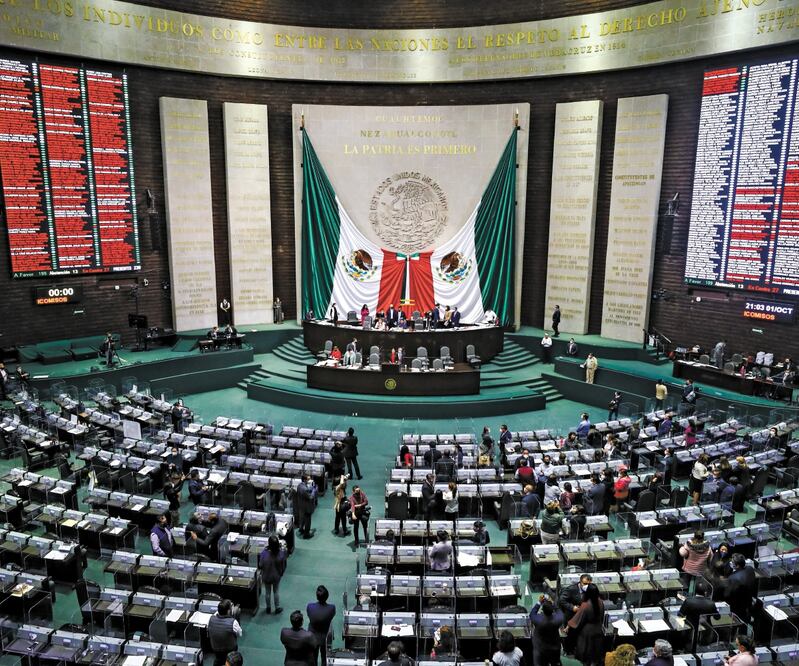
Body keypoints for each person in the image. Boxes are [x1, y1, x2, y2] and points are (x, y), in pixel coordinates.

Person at [567, 583, 605, 666]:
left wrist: (569, 625)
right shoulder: (601, 602)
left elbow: (578, 620)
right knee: (595, 654)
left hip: (587, 632)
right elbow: (602, 616)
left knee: (585, 654)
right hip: (598, 629)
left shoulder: (586, 605)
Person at [679, 581, 718, 652]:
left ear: (695, 591)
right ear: (705, 592)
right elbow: (717, 617)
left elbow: (680, 614)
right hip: (705, 630)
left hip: (690, 629)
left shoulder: (688, 601)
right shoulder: (711, 603)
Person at [307, 585, 336, 666]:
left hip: (312, 637)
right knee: (325, 658)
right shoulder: (332, 608)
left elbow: (309, 616)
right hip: (325, 637)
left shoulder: (310, 607)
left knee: (313, 659)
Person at [530, 598, 563, 666]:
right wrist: (553, 603)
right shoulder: (558, 619)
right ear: (552, 610)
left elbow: (532, 614)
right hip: (554, 648)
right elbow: (560, 612)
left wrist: (539, 602)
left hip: (540, 649)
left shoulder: (538, 619)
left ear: (543, 610)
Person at [208, 600, 242, 666]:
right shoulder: (233, 622)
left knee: (219, 660)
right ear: (228, 611)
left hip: (216, 649)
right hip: (230, 650)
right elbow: (240, 634)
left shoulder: (211, 619)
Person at [258, 534, 287, 614]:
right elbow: (284, 565)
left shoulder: (264, 553)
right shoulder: (281, 553)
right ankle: (277, 607)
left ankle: (268, 608)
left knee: (267, 592)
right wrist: (281, 573)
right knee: (276, 591)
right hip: (276, 576)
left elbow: (260, 565)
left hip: (266, 576)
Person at [725, 553, 756, 623]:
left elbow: (727, 595)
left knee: (737, 622)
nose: (731, 563)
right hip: (748, 602)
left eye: (732, 562)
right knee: (745, 620)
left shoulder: (733, 577)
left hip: (737, 606)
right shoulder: (750, 569)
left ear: (737, 565)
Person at [296, 475, 318, 539]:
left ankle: (301, 529)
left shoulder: (299, 485)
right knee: (308, 521)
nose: (309, 480)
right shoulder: (305, 489)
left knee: (302, 518)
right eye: (308, 479)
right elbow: (310, 497)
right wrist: (314, 490)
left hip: (301, 505)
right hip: (306, 507)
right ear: (305, 480)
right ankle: (306, 534)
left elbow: (306, 490)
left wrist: (311, 488)